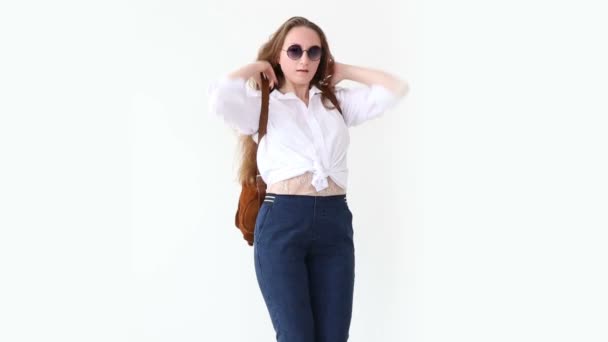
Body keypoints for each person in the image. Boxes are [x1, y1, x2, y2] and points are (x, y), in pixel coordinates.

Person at [208, 16, 409, 342]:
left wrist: (343, 70)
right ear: (279, 56)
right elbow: (219, 97)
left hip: (334, 223)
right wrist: (257, 65)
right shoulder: (262, 105)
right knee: (296, 336)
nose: (304, 59)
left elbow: (395, 89)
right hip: (282, 221)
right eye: (295, 50)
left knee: (334, 337)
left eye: (314, 52)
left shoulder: (335, 102)